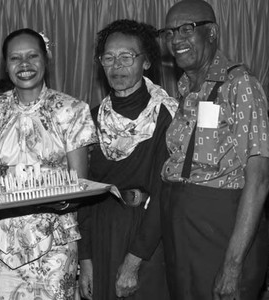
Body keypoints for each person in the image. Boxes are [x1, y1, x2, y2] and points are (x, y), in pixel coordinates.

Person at [0, 28, 97, 299]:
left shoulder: (72, 110)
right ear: (6, 65)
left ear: (46, 60)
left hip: (55, 238)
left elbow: (78, 185)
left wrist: (55, 202)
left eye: (32, 56)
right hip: (1, 242)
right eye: (15, 58)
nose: (24, 65)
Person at [158, 1, 269, 299]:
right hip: (182, 232)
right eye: (170, 32)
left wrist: (232, 266)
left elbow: (260, 179)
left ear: (212, 33)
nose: (176, 40)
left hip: (221, 231)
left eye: (186, 29)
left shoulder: (239, 84)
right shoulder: (185, 89)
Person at [77, 19, 178, 300]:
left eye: (127, 56)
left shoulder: (168, 116)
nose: (117, 65)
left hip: (147, 235)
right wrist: (85, 260)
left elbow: (163, 195)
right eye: (108, 57)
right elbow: (82, 192)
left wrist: (133, 262)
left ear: (146, 62)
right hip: (100, 231)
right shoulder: (90, 118)